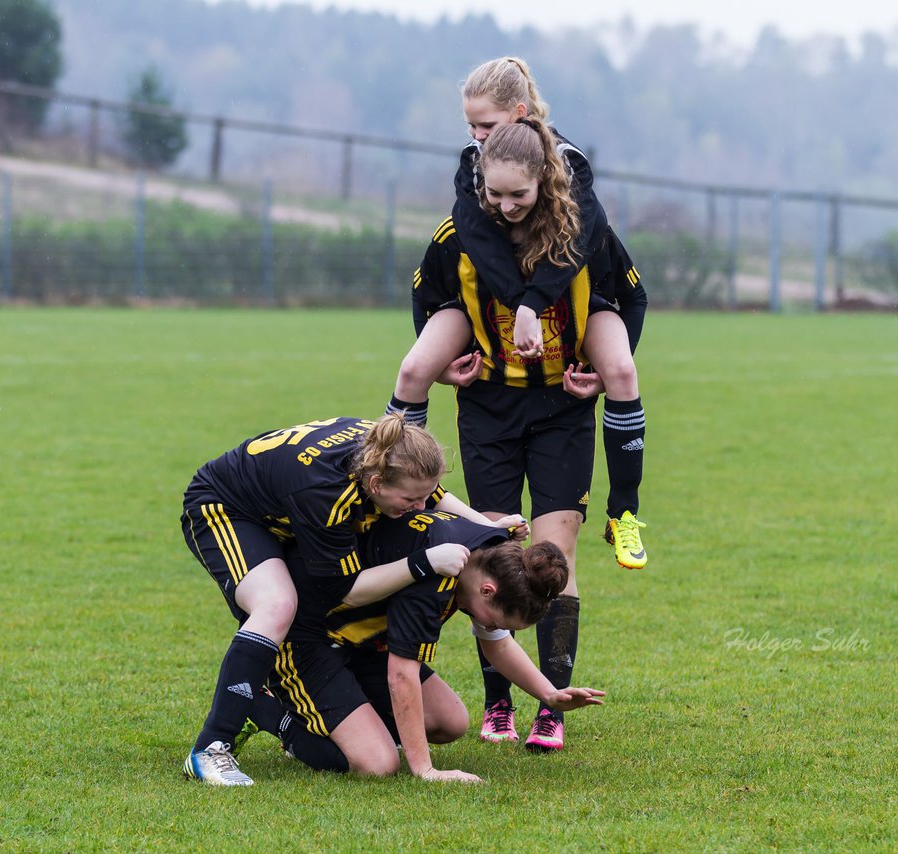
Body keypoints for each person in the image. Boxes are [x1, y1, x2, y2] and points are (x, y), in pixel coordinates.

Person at [406, 118, 644, 753]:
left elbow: (630, 295)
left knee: (555, 549)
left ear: (544, 180)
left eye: (519, 195)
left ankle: (553, 707)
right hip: (488, 408)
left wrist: (601, 367)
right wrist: (443, 353)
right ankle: (497, 703)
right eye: (495, 194)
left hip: (561, 409)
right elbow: (425, 295)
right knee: (492, 543)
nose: (505, 206)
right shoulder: (458, 234)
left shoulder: (583, 234)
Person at [384, 55, 650, 572]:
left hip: (568, 312)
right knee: (415, 368)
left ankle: (625, 513)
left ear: (521, 113)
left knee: (621, 369)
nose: (476, 136)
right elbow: (479, 245)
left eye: (485, 124)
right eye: (470, 125)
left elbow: (580, 247)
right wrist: (455, 354)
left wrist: (534, 304)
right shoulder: (472, 164)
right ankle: (395, 494)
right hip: (483, 316)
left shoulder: (569, 168)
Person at [179, 414, 524, 786]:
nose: (423, 507)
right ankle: (211, 748)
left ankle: (325, 706)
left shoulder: (390, 452)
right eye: (412, 499)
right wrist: (422, 563)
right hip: (226, 510)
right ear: (375, 483)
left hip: (283, 509)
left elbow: (431, 493)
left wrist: (487, 528)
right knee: (277, 603)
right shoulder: (325, 494)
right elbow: (348, 590)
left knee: (441, 722)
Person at [268, 509, 605, 782]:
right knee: (377, 764)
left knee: (449, 721)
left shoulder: (490, 551)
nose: (489, 627)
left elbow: (498, 646)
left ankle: (352, 720)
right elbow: (401, 676)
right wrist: (425, 769)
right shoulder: (436, 578)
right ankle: (266, 711)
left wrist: (549, 695)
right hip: (307, 638)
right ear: (487, 590)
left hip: (360, 641)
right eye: (496, 621)